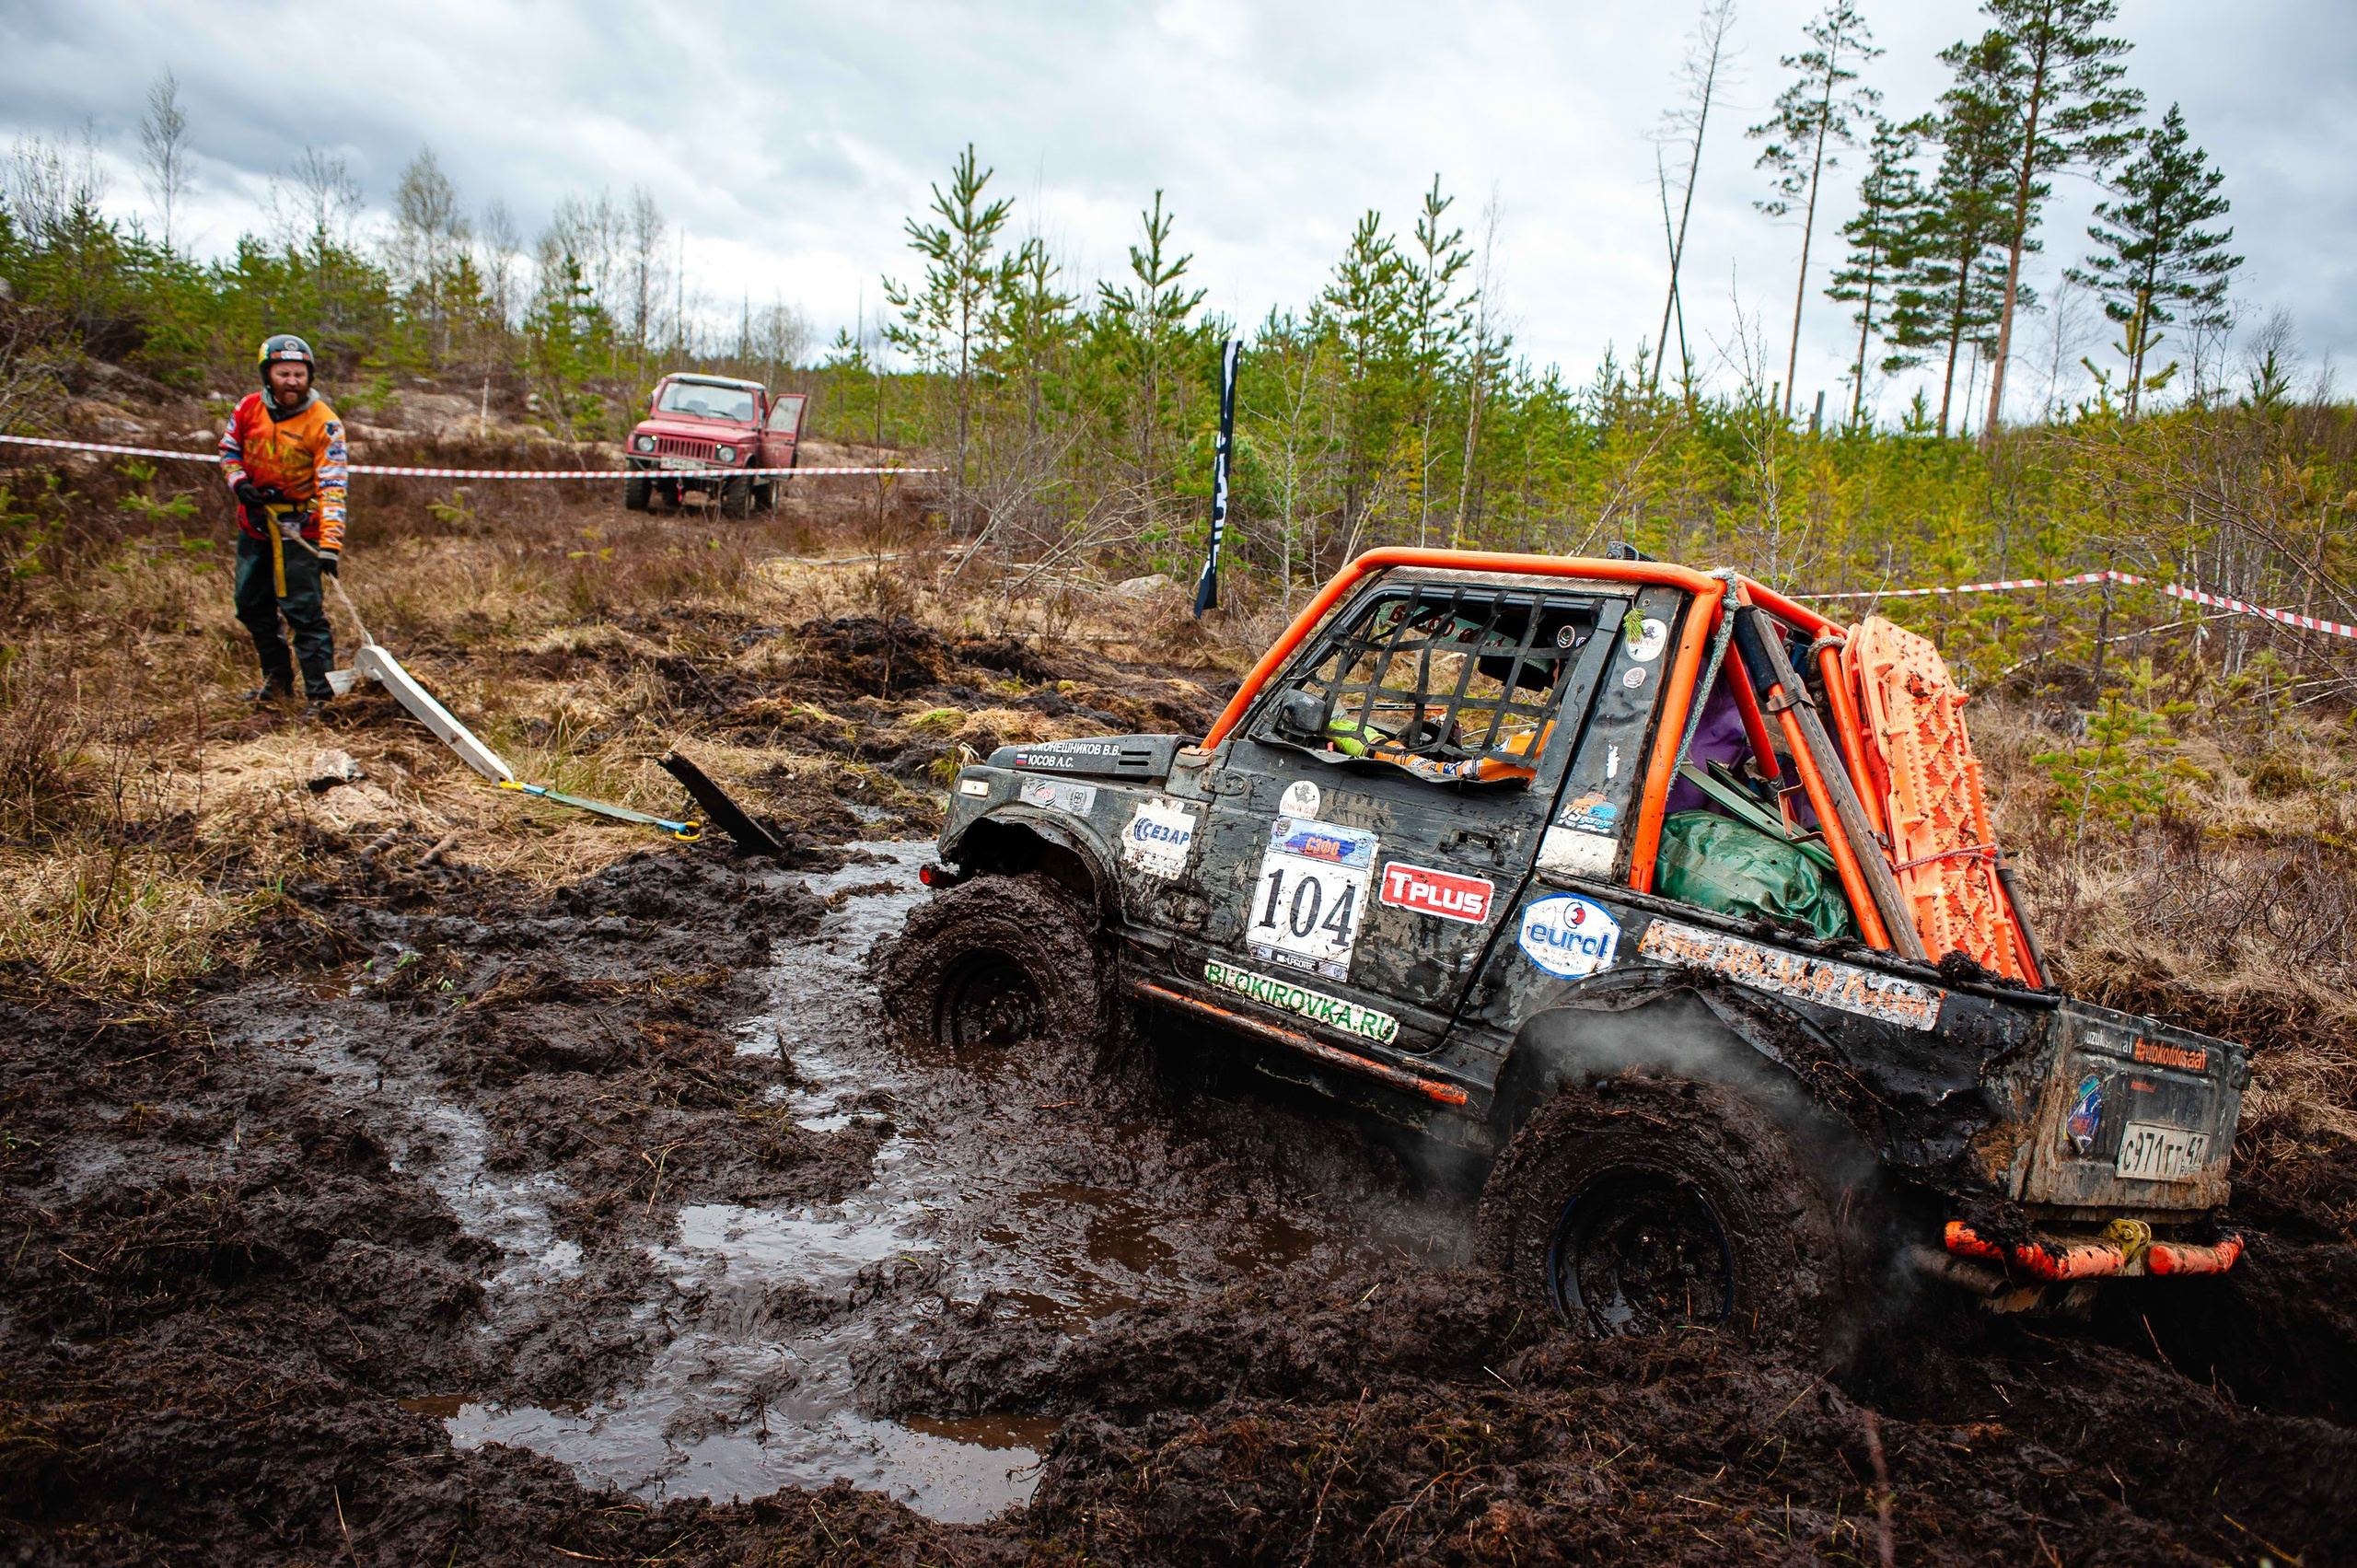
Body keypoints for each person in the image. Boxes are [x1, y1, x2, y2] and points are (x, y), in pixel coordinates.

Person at [219, 334, 349, 714]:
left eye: (299, 373)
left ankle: (321, 698)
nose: (292, 381)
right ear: (268, 374)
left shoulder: (325, 424)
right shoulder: (246, 409)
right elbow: (228, 451)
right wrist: (239, 482)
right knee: (251, 605)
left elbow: (334, 486)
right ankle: (276, 685)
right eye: (283, 373)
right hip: (255, 523)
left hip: (299, 528)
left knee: (304, 612)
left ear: (309, 375)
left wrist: (330, 545)